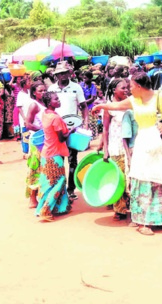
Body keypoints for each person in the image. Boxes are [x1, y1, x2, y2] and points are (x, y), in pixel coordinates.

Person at [93, 72, 162, 236]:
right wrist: (101, 106)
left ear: (138, 86)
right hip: (143, 142)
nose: (129, 89)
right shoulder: (133, 100)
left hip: (159, 143)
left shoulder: (161, 97)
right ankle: (143, 221)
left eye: (130, 86)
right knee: (143, 178)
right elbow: (116, 106)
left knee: (161, 178)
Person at [48, 61, 89, 201]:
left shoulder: (76, 87)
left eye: (65, 72)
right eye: (60, 74)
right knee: (58, 160)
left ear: (70, 73)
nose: (63, 76)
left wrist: (86, 123)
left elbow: (83, 106)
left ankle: (70, 189)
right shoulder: (52, 89)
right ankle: (59, 188)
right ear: (56, 76)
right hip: (57, 130)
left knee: (72, 160)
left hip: (73, 129)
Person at [99, 79, 138, 220]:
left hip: (132, 145)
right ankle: (120, 208)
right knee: (119, 177)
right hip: (116, 146)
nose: (126, 90)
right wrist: (105, 149)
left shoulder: (132, 103)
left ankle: (134, 206)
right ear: (114, 90)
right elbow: (105, 129)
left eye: (128, 87)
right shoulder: (109, 107)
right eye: (123, 88)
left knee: (132, 176)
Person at [36, 92, 75, 222]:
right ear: (49, 102)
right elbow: (61, 137)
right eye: (56, 99)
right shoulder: (55, 118)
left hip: (46, 153)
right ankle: (46, 211)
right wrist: (71, 131)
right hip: (54, 155)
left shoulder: (46, 114)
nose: (58, 101)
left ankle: (61, 207)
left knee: (48, 183)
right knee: (58, 182)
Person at [24, 82, 47, 208]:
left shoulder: (46, 103)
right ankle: (32, 199)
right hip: (37, 142)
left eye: (44, 90)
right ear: (34, 92)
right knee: (35, 169)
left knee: (45, 169)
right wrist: (42, 130)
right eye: (40, 91)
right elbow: (28, 124)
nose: (43, 93)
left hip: (47, 142)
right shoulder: (34, 105)